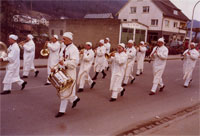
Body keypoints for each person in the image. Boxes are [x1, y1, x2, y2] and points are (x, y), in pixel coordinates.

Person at [55, 32, 80, 118]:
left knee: (65, 90)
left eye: (64, 39)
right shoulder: (63, 47)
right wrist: (57, 66)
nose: (62, 40)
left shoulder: (74, 49)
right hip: (62, 72)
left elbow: (75, 62)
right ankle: (75, 98)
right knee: (65, 90)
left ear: (69, 40)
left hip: (70, 72)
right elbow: (60, 57)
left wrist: (65, 63)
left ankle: (62, 111)